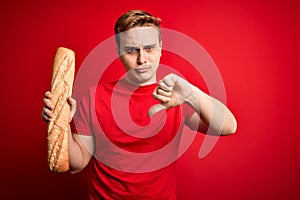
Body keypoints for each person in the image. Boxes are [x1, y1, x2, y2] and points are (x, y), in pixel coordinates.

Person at [42, 10, 237, 200]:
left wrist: (192, 94)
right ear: (119, 52)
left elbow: (228, 126)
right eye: (131, 50)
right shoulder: (95, 97)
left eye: (149, 48)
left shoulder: (176, 96)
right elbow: (77, 164)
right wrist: (62, 123)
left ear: (161, 48)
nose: (142, 59)